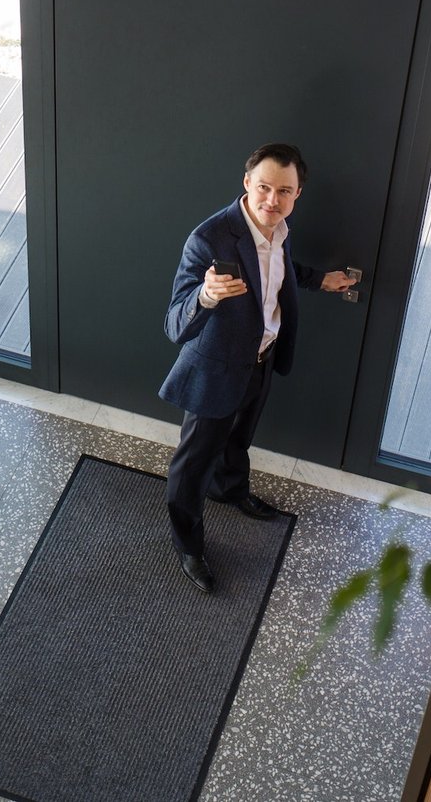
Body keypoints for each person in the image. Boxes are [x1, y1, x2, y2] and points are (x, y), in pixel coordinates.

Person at [159, 143, 356, 593]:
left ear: (297, 193)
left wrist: (319, 280)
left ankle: (230, 489)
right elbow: (174, 324)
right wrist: (206, 296)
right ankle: (187, 544)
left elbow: (279, 270)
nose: (272, 200)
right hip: (215, 371)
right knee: (192, 464)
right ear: (247, 183)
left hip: (261, 361)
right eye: (264, 187)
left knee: (240, 438)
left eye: (283, 191)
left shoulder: (280, 230)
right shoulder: (209, 239)